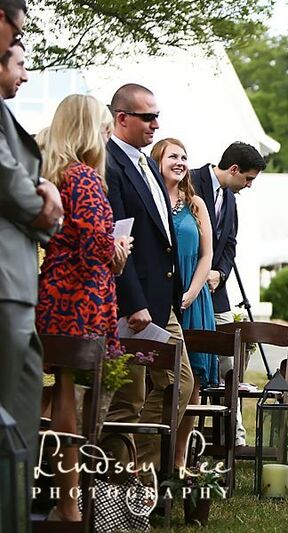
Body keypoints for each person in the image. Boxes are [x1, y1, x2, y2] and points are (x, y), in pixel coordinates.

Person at [36, 94, 132, 522]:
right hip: (80, 301)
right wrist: (119, 249)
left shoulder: (49, 173)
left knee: (58, 393)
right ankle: (69, 505)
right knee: (72, 400)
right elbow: (96, 246)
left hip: (52, 294)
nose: (109, 135)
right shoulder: (85, 178)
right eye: (105, 127)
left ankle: (56, 496)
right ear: (90, 130)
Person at [103, 83, 194, 474]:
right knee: (128, 397)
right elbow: (118, 240)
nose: (156, 124)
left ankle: (140, 473)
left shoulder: (144, 164)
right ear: (122, 118)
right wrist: (133, 302)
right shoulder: (110, 164)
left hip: (163, 301)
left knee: (182, 383)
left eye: (158, 115)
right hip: (134, 305)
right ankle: (113, 486)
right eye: (148, 117)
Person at [0, 0, 63, 525]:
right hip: (5, 282)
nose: (25, 72)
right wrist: (45, 203)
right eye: (19, 54)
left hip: (19, 280)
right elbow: (14, 190)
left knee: (18, 414)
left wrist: (43, 202)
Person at [190, 141, 265, 448]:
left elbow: (230, 243)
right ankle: (190, 432)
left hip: (216, 293)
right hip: (186, 289)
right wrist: (199, 272)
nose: (248, 186)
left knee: (229, 359)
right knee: (191, 363)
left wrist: (219, 273)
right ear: (234, 170)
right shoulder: (190, 181)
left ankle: (233, 435)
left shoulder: (231, 200)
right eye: (248, 179)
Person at [152, 138, 216, 468]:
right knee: (164, 377)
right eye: (173, 156)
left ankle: (177, 460)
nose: (180, 161)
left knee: (194, 384)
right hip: (161, 296)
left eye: (184, 157)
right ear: (157, 160)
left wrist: (192, 292)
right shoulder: (150, 199)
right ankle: (153, 452)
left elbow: (207, 254)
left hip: (193, 295)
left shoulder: (196, 204)